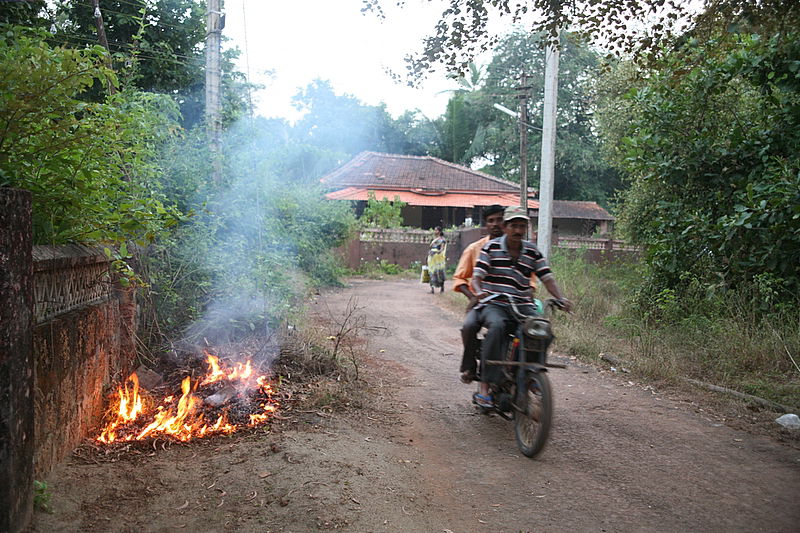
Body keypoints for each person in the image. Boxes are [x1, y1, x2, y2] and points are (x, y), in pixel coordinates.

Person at [469, 205, 572, 408]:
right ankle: (484, 387)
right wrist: (479, 290)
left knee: (543, 330)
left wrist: (561, 298)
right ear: (506, 227)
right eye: (514, 226)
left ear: (526, 228)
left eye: (521, 226)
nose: (517, 230)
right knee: (496, 327)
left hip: (523, 304)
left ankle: (532, 372)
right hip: (495, 303)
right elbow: (476, 278)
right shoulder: (491, 248)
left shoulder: (532, 251)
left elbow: (547, 278)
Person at [452, 205, 505, 382]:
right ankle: (472, 368)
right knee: (468, 327)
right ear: (486, 224)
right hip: (483, 302)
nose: (496, 224)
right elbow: (460, 278)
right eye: (491, 221)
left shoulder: (518, 247)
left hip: (511, 303)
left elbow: (532, 280)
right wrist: (474, 296)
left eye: (499, 219)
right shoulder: (475, 249)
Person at [427, 226, 447, 294]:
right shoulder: (433, 240)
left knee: (440, 273)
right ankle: (432, 289)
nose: (435, 231)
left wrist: (435, 252)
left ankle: (442, 288)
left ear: (440, 231)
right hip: (431, 258)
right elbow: (430, 248)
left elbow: (442, 249)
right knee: (431, 272)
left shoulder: (442, 240)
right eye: (434, 230)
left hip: (438, 259)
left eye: (436, 230)